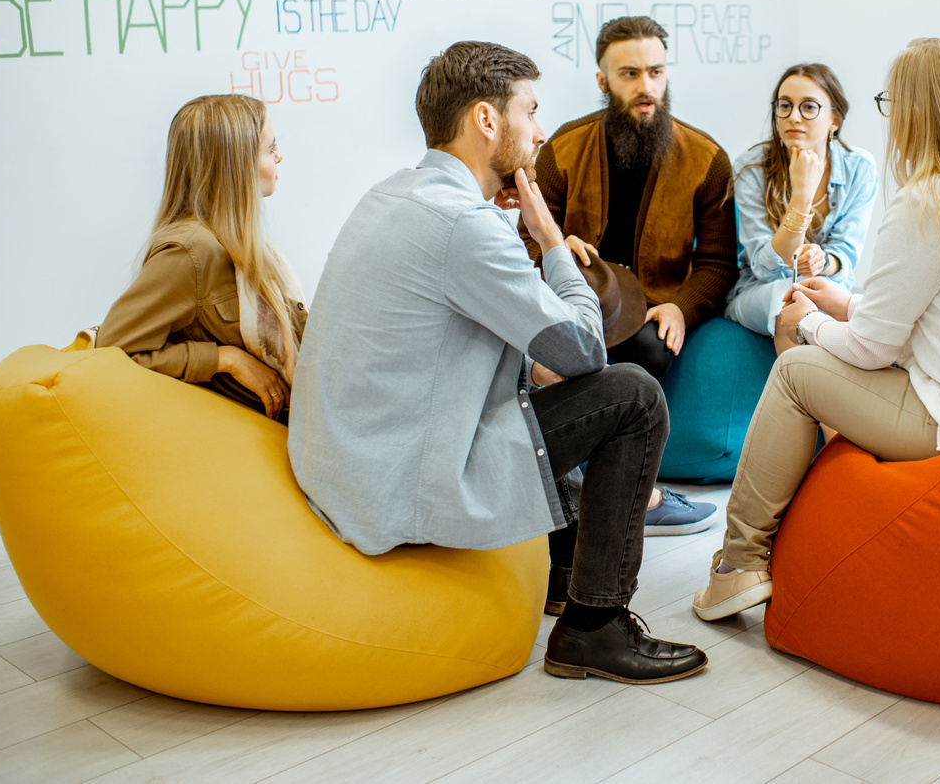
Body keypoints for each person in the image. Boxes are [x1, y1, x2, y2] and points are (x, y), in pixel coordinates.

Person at [289, 41, 707, 684]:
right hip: (396, 484)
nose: (540, 132)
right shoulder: (468, 225)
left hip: (349, 461)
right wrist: (547, 239)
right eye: (530, 112)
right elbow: (584, 350)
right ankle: (595, 628)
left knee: (539, 389)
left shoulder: (393, 193)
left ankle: (565, 575)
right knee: (632, 394)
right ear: (487, 121)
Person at [693, 38, 940, 620]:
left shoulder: (929, 201)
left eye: (891, 101)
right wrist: (849, 301)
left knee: (793, 371)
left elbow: (871, 348)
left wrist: (807, 321)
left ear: (914, 110)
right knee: (818, 339)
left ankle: (738, 564)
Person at [523, 15, 736, 536]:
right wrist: (554, 249)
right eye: (630, 74)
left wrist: (681, 308)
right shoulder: (562, 149)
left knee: (649, 349)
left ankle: (620, 491)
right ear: (603, 81)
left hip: (652, 307)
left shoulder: (706, 159)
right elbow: (525, 241)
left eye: (657, 72)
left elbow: (717, 263)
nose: (647, 88)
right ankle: (614, 493)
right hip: (571, 303)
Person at [97, 95, 304, 421]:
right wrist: (225, 358)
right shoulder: (189, 251)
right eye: (269, 148)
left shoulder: (237, 242)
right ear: (236, 163)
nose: (279, 156)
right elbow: (115, 353)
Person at [725, 63, 877, 338]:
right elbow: (763, 267)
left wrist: (821, 261)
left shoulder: (860, 168)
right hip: (759, 291)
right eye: (785, 106)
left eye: (808, 107)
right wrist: (802, 196)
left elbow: (846, 253)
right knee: (790, 298)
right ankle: (797, 382)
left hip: (825, 284)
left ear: (835, 120)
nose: (793, 116)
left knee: (828, 299)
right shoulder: (751, 168)